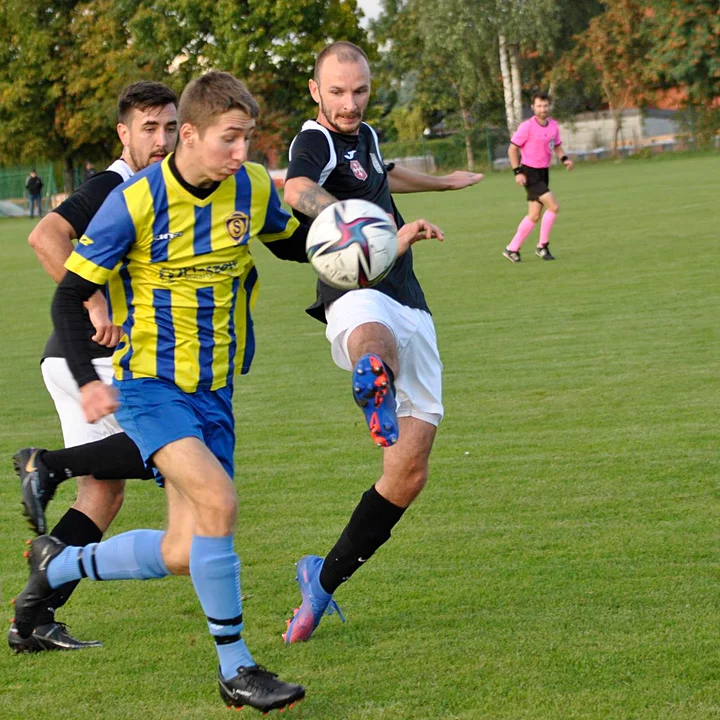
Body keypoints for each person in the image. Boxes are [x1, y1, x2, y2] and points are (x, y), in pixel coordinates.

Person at [11, 71, 315, 713]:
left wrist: (362, 240)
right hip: (152, 388)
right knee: (219, 501)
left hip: (216, 392)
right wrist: (91, 383)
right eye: (230, 139)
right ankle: (237, 670)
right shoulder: (136, 201)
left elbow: (295, 245)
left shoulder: (251, 187)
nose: (242, 152)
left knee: (184, 550)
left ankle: (56, 564)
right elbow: (69, 294)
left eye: (248, 138)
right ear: (194, 135)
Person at [281, 41, 483, 644]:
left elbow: (385, 172)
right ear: (316, 91)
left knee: (408, 473)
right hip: (355, 285)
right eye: (337, 91)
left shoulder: (362, 135)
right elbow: (296, 189)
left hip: (409, 294)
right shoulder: (313, 139)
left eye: (359, 91)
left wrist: (444, 184)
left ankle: (322, 580)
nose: (349, 103)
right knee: (373, 337)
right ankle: (374, 377)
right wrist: (352, 230)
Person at [8, 80, 179, 654]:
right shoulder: (114, 184)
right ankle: (45, 463)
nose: (161, 140)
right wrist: (94, 298)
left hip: (67, 356)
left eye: (170, 127)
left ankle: (31, 619)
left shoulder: (157, 185)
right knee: (167, 452)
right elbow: (45, 234)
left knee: (102, 496)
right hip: (97, 357)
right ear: (123, 134)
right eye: (148, 129)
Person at [503, 92, 574, 263]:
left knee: (534, 215)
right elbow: (512, 149)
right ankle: (542, 246)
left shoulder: (553, 126)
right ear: (533, 107)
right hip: (530, 172)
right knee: (554, 207)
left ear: (549, 106)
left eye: (545, 106)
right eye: (539, 106)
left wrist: (565, 159)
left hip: (544, 172)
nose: (543, 109)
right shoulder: (527, 127)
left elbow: (556, 146)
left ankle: (511, 249)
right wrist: (517, 172)